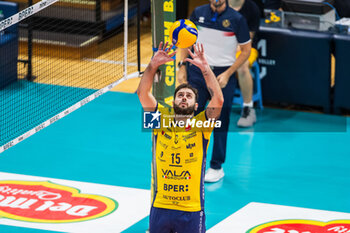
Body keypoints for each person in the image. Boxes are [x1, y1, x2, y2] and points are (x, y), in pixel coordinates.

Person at [137, 42, 223, 233]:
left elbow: (219, 100)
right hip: (161, 205)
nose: (184, 97)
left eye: (189, 96)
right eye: (180, 95)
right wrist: (153, 65)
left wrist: (205, 69)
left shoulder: (202, 125)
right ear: (174, 101)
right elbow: (143, 93)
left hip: (191, 209)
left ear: (195, 105)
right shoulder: (160, 121)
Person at [177, 0, 251, 182]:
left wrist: (228, 73)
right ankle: (191, 161)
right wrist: (181, 66)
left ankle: (216, 166)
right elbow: (186, 42)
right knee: (192, 116)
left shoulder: (237, 19)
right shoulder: (197, 13)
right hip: (197, 70)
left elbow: (246, 51)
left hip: (222, 74)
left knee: (219, 120)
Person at [229, 0, 261, 127]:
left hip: (244, 48)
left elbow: (247, 39)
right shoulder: (220, 4)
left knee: (242, 66)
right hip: (222, 46)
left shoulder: (252, 8)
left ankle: (248, 110)